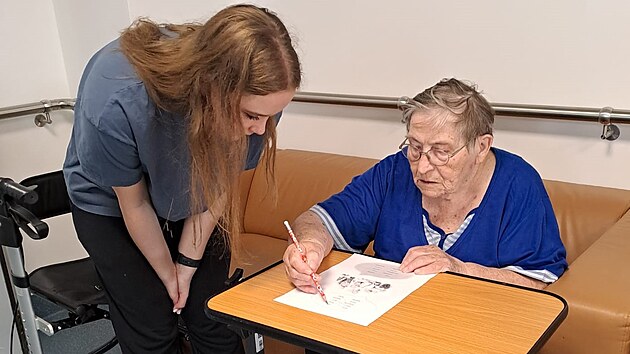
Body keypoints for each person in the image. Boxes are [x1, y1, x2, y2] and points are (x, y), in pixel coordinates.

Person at [63, 4, 301, 353]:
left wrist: (187, 266)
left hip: (193, 193)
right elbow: (136, 203)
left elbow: (220, 184)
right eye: (251, 115)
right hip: (114, 204)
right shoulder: (118, 98)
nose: (261, 130)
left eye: (272, 115)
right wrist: (168, 276)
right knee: (154, 326)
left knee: (213, 316)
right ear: (212, 89)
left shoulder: (262, 103)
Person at [283, 78, 567, 294]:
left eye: (442, 151)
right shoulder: (395, 170)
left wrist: (460, 269)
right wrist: (310, 246)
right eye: (415, 147)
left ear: (481, 147)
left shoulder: (518, 183)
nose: (422, 167)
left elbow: (536, 280)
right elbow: (318, 220)